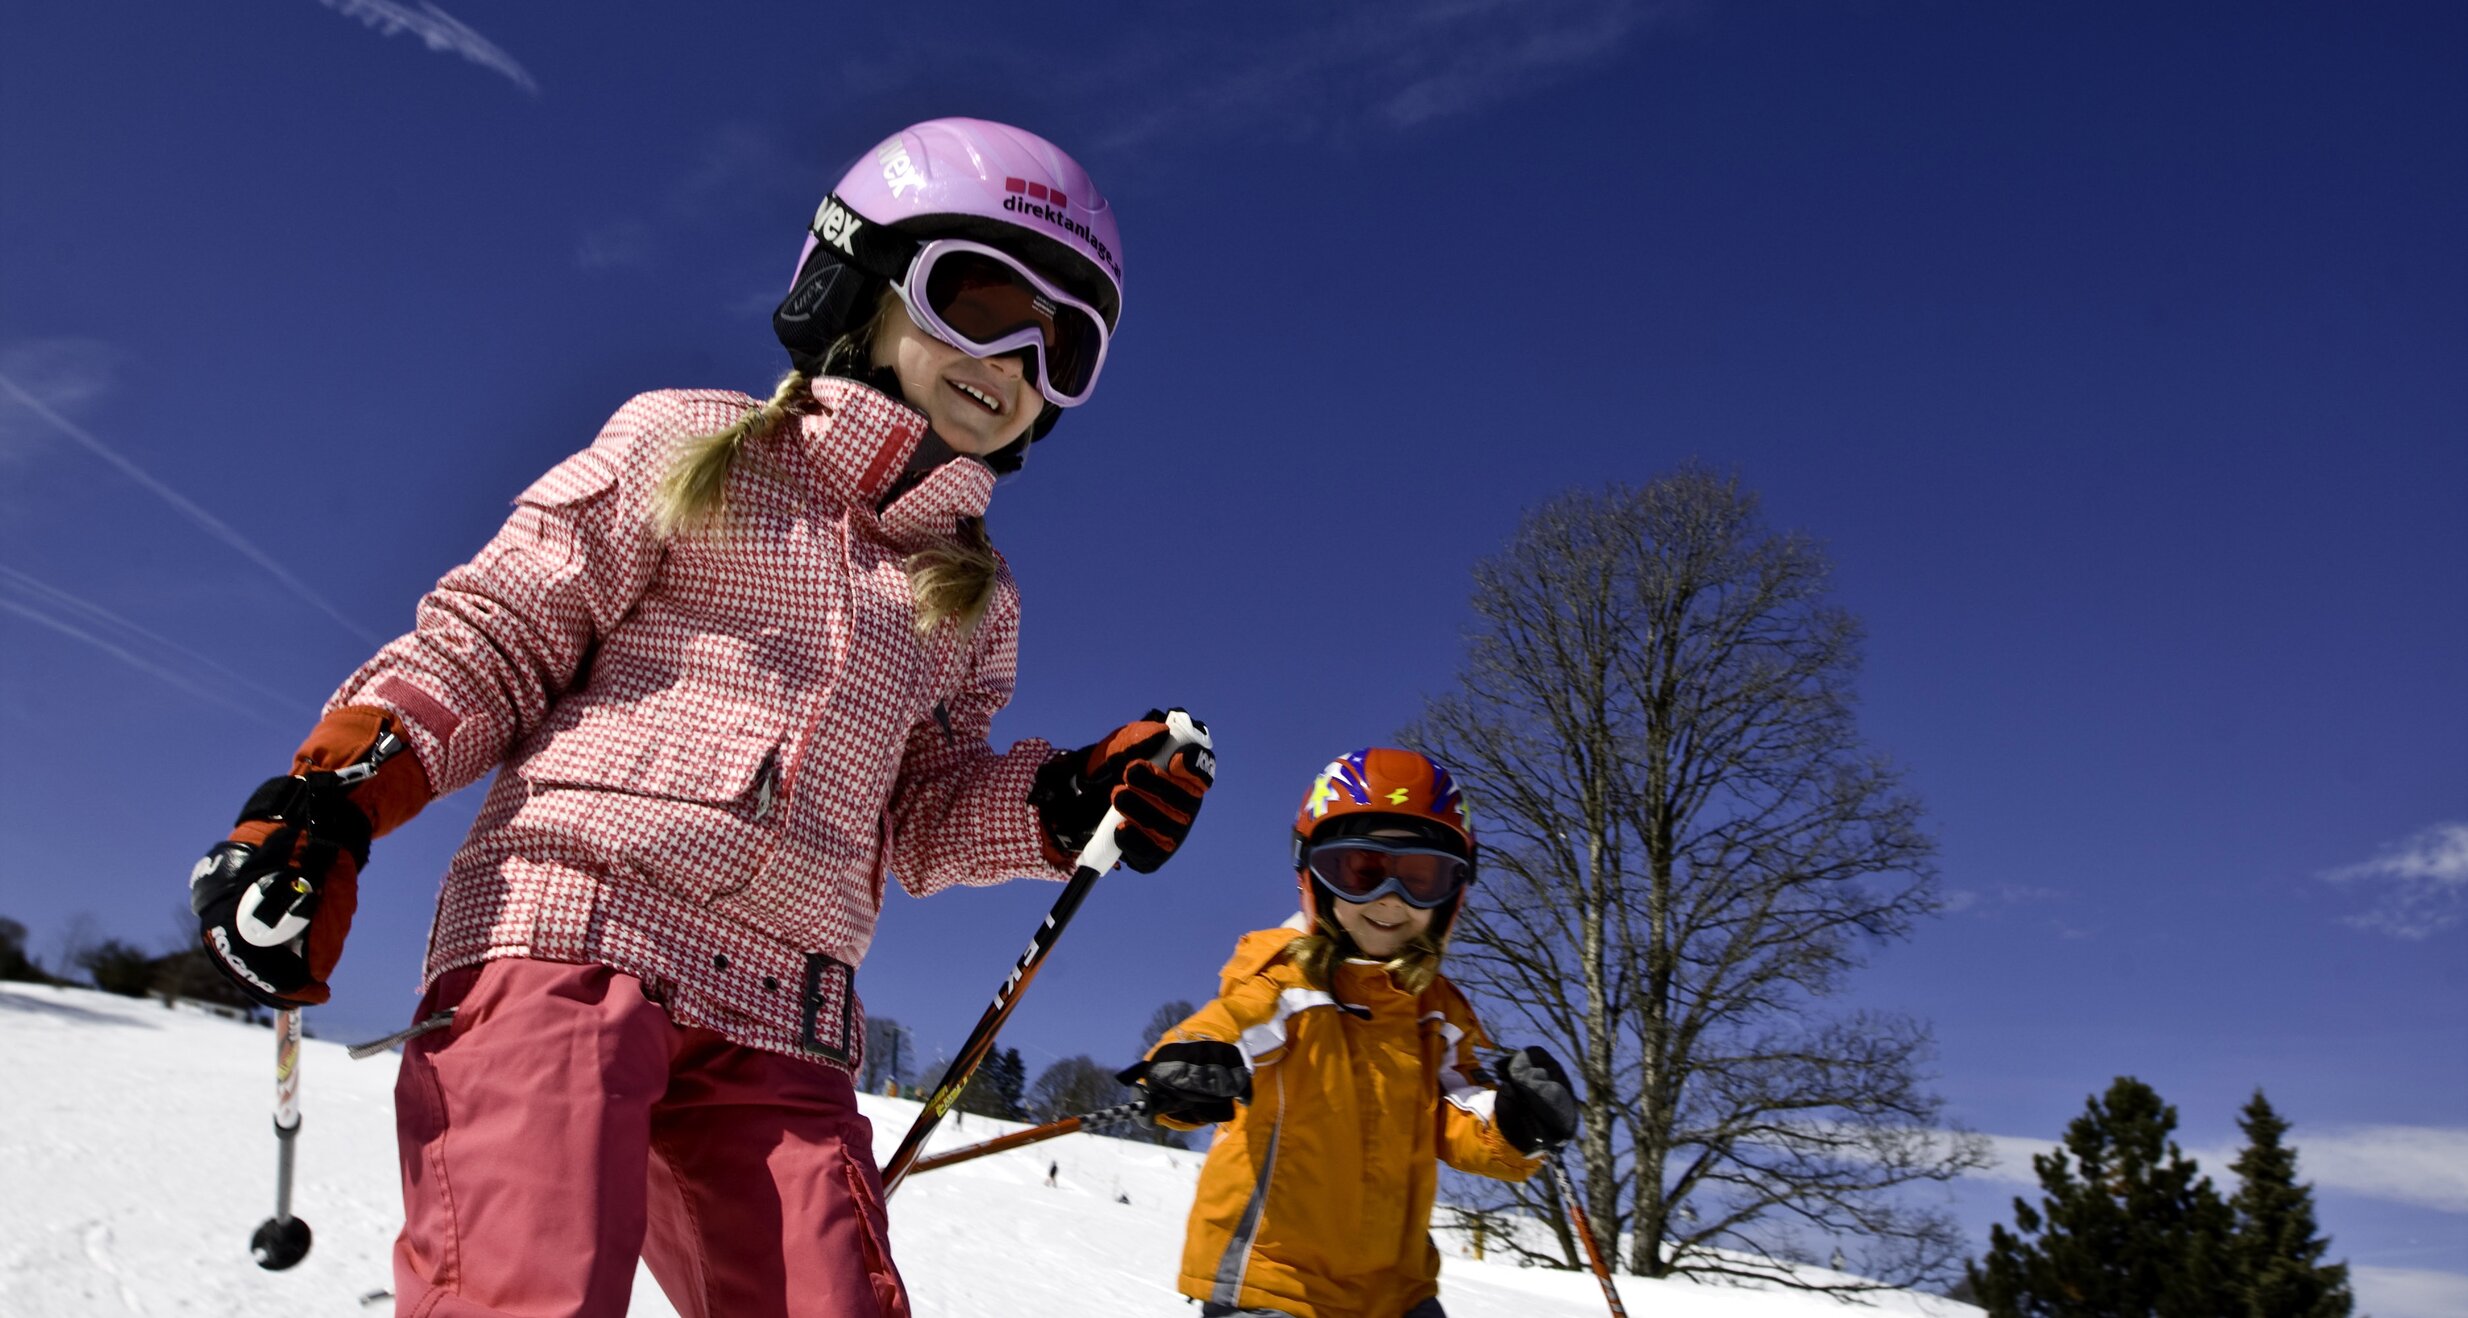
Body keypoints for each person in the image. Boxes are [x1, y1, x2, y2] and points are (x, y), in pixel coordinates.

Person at [185, 117, 1213, 1318]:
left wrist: (1060, 800)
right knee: (532, 1288)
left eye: (1064, 345)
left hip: (787, 1017)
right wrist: (332, 796)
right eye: (977, 297)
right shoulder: (692, 446)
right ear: (855, 277)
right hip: (569, 933)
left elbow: (922, 816)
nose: (1015, 358)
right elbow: (499, 634)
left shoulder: (975, 601)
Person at [1120, 749, 1580, 1318]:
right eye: (1360, 871)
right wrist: (1191, 1062)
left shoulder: (1434, 1014)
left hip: (1398, 1292)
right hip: (1276, 1284)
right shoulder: (1287, 980)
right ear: (1313, 872)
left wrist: (1517, 1123)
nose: (1390, 900)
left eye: (1420, 877)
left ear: (1453, 892)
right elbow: (1233, 1024)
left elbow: (1459, 1111)